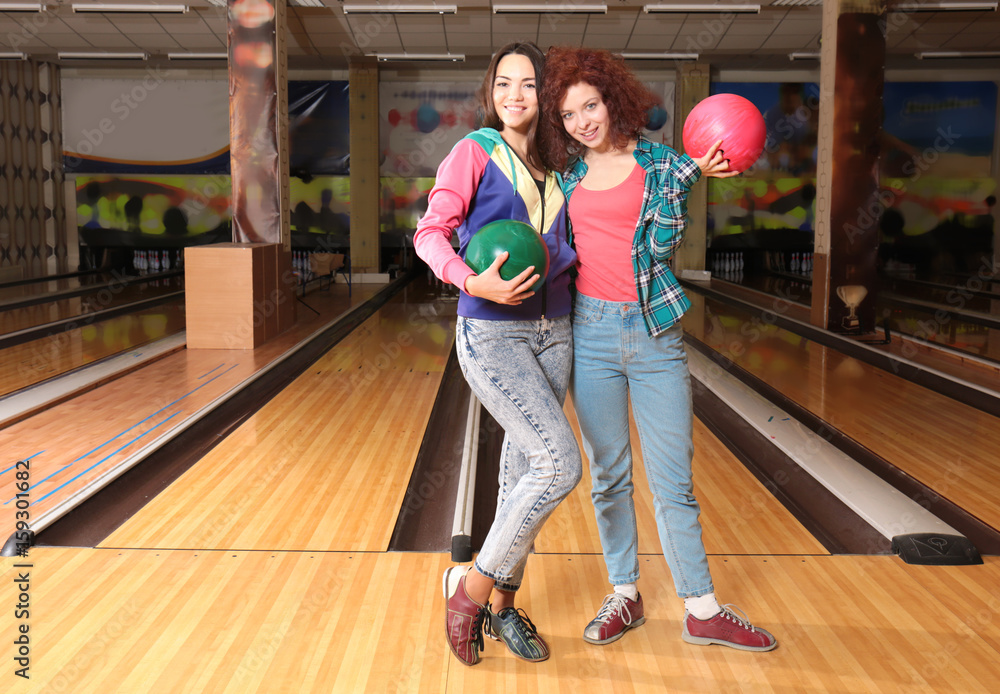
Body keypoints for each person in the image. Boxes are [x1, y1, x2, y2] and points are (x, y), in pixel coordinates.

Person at [540, 46, 778, 652]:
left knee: (673, 483)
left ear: (612, 100)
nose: (583, 121)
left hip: (654, 336)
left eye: (590, 105)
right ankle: (625, 593)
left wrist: (707, 166)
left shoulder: (664, 165)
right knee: (609, 478)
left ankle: (701, 608)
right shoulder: (564, 178)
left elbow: (695, 179)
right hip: (589, 334)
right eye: (569, 115)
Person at [414, 41, 581, 667]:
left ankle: (505, 608)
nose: (516, 95)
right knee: (560, 464)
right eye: (505, 83)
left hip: (554, 331)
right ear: (491, 91)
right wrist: (468, 278)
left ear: (547, 94)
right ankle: (470, 592)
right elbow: (430, 233)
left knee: (522, 479)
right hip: (492, 333)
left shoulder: (564, 169)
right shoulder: (473, 152)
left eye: (530, 85)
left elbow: (572, 244)